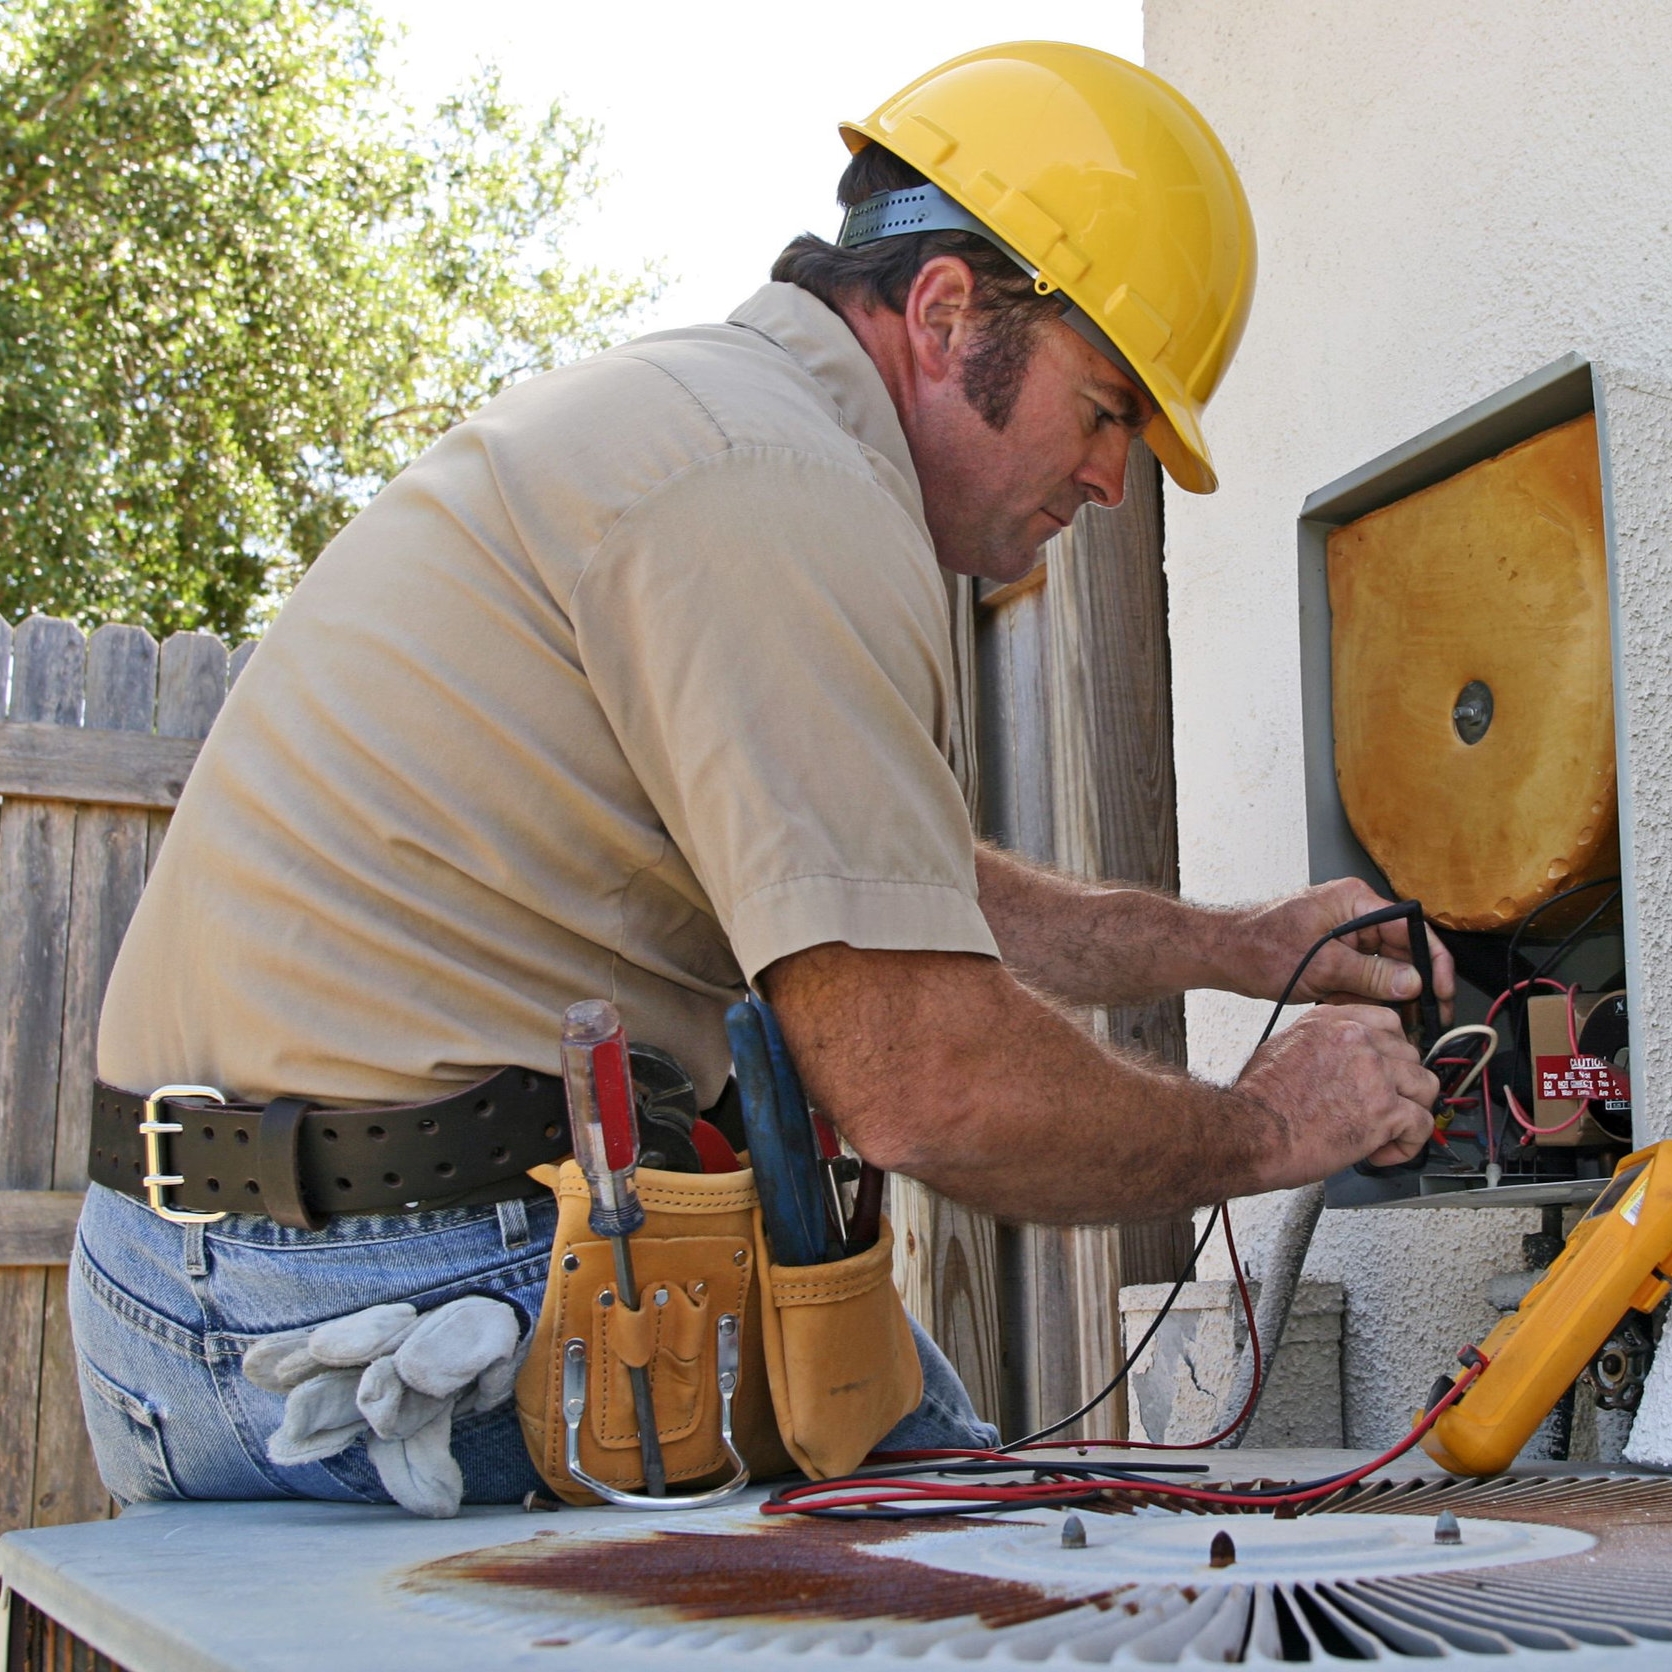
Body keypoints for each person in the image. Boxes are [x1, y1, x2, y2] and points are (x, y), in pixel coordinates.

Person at [71, 43, 1448, 1508]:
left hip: (206, 1275)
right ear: (945, 311)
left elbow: (886, 889)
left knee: (958, 1489)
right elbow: (929, 1081)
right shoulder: (780, 491)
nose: (1114, 478)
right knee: (985, 1559)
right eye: (1106, 408)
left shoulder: (717, 430)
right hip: (384, 1312)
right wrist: (1281, 1127)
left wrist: (1239, 949)